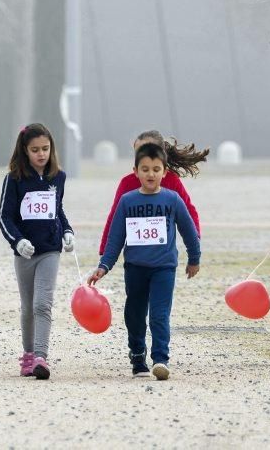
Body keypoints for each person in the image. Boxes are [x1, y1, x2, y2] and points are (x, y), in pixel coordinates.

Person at [88, 142, 200, 381]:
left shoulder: (172, 199)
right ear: (135, 171)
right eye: (145, 169)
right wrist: (104, 266)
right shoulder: (127, 201)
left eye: (156, 169)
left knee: (160, 314)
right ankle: (138, 355)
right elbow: (116, 237)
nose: (151, 174)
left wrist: (194, 258)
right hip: (136, 269)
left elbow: (188, 230)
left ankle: (161, 359)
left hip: (164, 268)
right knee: (135, 313)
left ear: (165, 172)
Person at [0, 123, 74, 380]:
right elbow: (4, 216)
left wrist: (67, 231)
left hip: (50, 251)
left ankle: (41, 357)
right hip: (25, 254)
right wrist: (17, 242)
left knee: (43, 304)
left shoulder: (58, 177)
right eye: (35, 150)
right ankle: (28, 356)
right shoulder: (14, 180)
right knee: (28, 307)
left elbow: (58, 210)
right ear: (24, 151)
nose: (41, 154)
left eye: (45, 148)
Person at [99, 130, 206, 256]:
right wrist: (104, 250)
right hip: (136, 257)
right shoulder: (127, 183)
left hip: (164, 257)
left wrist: (195, 238)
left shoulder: (171, 180)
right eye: (138, 152)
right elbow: (115, 217)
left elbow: (188, 210)